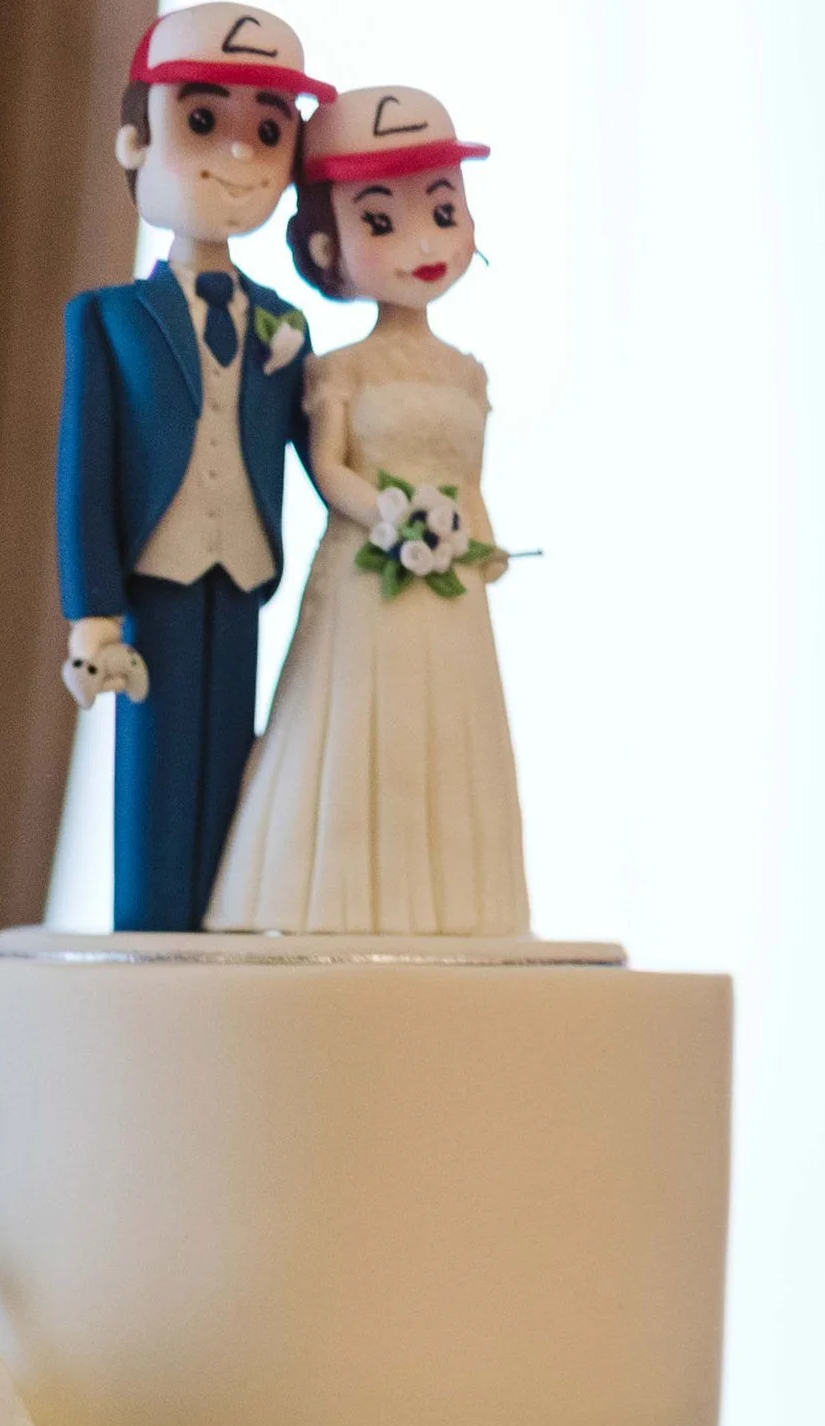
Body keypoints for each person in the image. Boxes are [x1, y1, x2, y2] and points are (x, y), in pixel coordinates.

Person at [206, 85, 530, 936]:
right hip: (367, 571)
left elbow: (473, 479)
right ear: (329, 247)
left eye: (443, 210)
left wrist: (480, 545)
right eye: (381, 220)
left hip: (450, 590)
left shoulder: (467, 373)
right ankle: (328, 900)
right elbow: (329, 471)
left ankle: (456, 908)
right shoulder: (340, 368)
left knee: (447, 729)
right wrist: (393, 516)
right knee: (352, 724)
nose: (422, 242)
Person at [56, 9, 333, 933]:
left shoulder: (285, 325)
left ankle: (220, 933)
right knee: (154, 772)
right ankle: (150, 940)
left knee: (233, 766)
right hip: (155, 577)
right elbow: (84, 476)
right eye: (204, 122)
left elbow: (317, 447)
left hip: (247, 570)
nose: (242, 157)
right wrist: (91, 613)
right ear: (136, 138)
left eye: (269, 131)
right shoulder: (109, 319)